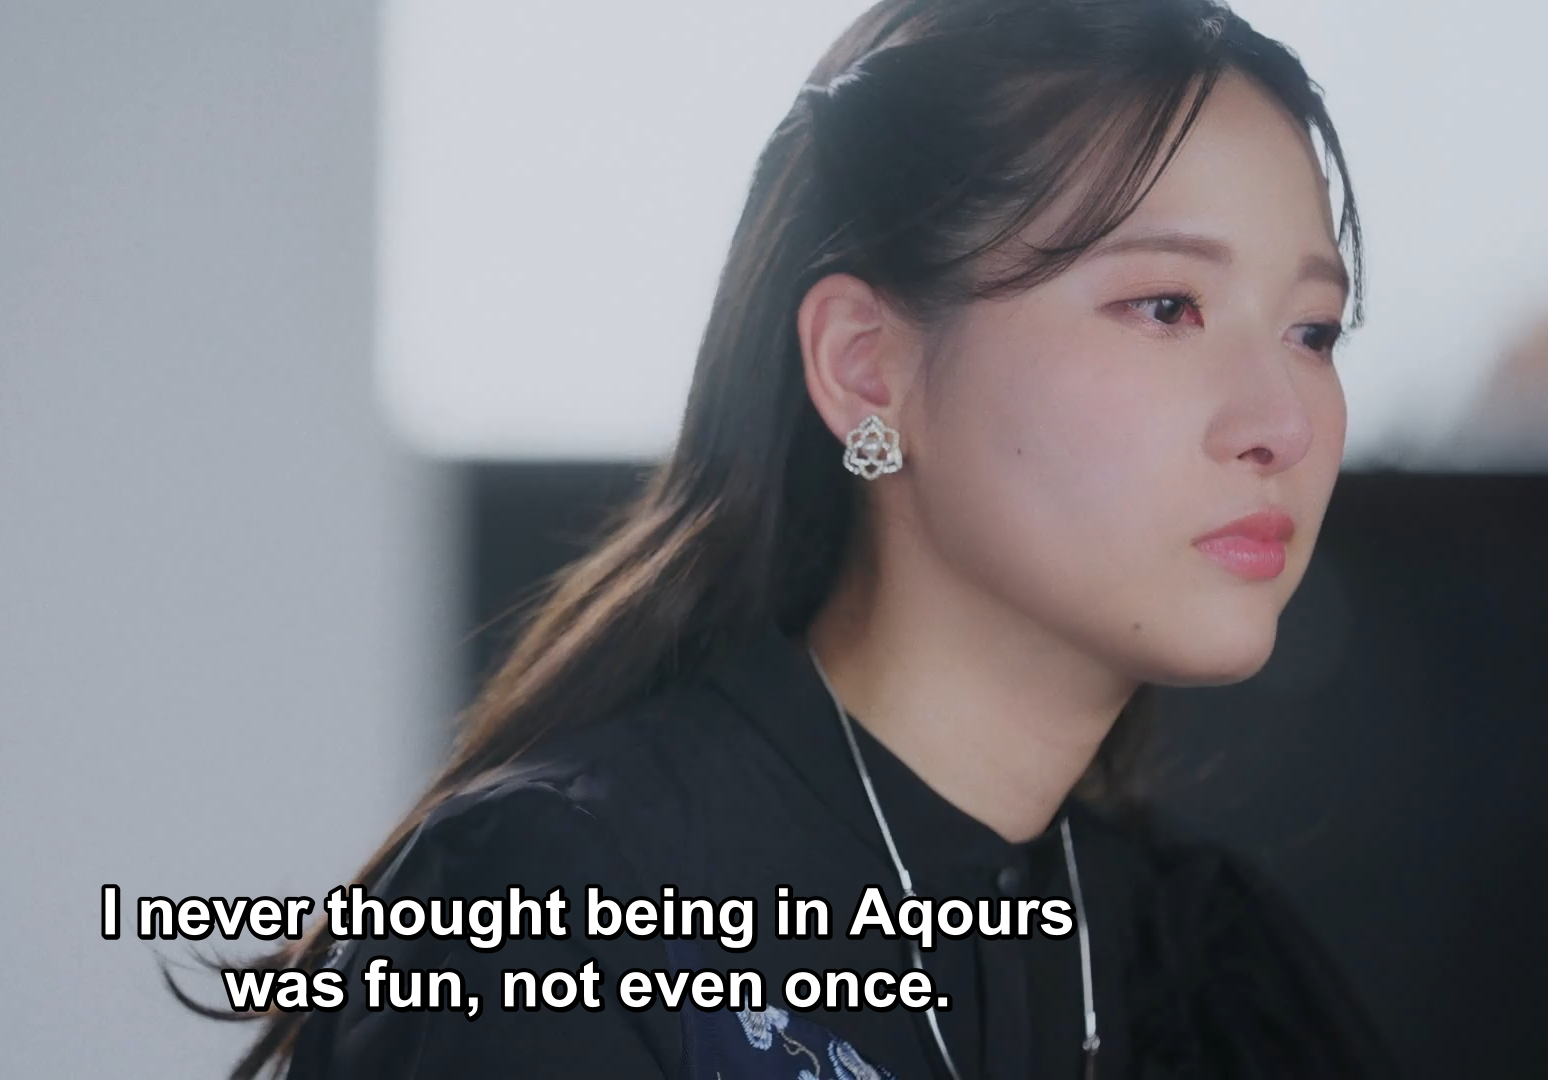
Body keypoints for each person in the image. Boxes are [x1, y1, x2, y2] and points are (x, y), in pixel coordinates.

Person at [185, 0, 1399, 1075]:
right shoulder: (563, 912)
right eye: (1167, 306)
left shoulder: (1207, 970)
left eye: (1313, 331)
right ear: (867, 369)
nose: (1283, 424)